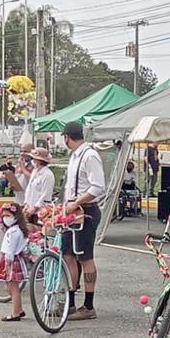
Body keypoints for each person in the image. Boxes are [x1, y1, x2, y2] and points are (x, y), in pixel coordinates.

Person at [60, 121, 105, 321]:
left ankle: (88, 304)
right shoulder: (75, 157)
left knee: (85, 257)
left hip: (85, 211)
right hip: (72, 211)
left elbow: (97, 187)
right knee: (68, 254)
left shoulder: (89, 155)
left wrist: (76, 202)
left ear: (67, 137)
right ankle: (70, 302)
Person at [0, 201, 31, 323]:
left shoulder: (13, 232)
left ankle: (15, 313)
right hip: (10, 259)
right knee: (9, 287)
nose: (5, 219)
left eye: (8, 216)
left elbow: (11, 248)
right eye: (3, 216)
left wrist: (8, 260)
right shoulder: (16, 229)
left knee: (12, 288)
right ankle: (19, 309)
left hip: (11, 260)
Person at [17, 148, 56, 220]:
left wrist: (35, 208)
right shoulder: (35, 172)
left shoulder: (47, 174)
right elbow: (29, 188)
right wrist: (26, 204)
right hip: (30, 208)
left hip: (41, 211)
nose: (32, 160)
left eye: (34, 158)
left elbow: (45, 194)